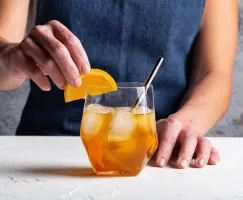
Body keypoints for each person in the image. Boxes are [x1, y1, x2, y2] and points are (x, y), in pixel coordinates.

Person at [0, 0, 238, 169]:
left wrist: (183, 124)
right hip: (43, 155)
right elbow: (4, 73)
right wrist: (11, 56)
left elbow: (214, 73)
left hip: (155, 158)